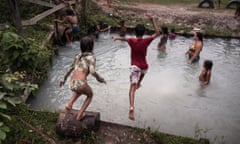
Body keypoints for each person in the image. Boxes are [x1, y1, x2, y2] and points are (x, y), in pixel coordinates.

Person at [112, 14, 159, 121]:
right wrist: (153, 20)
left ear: (134, 32)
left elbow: (124, 39)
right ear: (144, 32)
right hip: (144, 67)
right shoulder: (146, 41)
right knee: (142, 74)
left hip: (135, 67)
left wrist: (116, 38)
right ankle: (139, 83)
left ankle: (132, 107)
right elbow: (157, 33)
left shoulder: (132, 40)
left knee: (132, 90)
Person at [59, 36, 106, 121]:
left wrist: (63, 79)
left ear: (81, 47)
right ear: (92, 46)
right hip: (80, 83)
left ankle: (69, 105)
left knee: (79, 90)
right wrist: (100, 79)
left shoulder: (77, 56)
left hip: (72, 83)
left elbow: (69, 68)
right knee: (90, 95)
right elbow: (92, 71)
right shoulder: (91, 57)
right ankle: (80, 115)